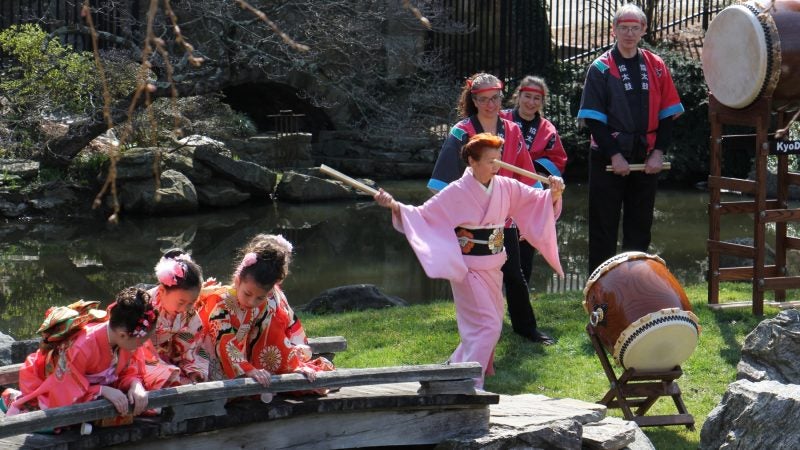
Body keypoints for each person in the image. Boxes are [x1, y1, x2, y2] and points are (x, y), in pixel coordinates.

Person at [375, 133, 564, 389]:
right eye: (490, 161)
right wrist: (394, 206)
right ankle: (471, 383)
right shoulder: (456, 191)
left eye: (498, 160)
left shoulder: (505, 186)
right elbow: (423, 215)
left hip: (494, 265)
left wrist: (553, 192)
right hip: (469, 269)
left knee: (484, 324)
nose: (496, 166)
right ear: (472, 162)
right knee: (487, 326)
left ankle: (455, 370)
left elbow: (535, 200)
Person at [428, 72, 552, 345]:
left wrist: (540, 200)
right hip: (470, 222)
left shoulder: (512, 130)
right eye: (484, 99)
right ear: (474, 100)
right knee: (473, 277)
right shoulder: (462, 132)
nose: (491, 105)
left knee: (514, 275)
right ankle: (479, 330)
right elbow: (440, 183)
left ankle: (525, 327)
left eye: (495, 98)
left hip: (503, 218)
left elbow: (527, 179)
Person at [577, 3, 684, 273]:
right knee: (604, 225)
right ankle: (600, 287)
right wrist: (614, 154)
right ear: (614, 30)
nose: (628, 34)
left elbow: (667, 113)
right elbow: (593, 119)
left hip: (646, 155)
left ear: (643, 30)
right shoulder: (601, 68)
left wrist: (659, 152)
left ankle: (634, 282)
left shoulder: (656, 65)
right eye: (623, 28)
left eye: (634, 28)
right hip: (607, 156)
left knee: (640, 224)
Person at [197, 234, 334, 395]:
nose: (252, 301)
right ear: (237, 280)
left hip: (238, 361)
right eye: (247, 294)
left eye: (260, 297)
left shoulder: (266, 302)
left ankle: (286, 369)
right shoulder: (219, 301)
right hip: (207, 361)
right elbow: (224, 341)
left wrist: (293, 365)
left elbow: (272, 338)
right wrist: (249, 370)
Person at [4, 287, 156, 417]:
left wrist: (135, 385)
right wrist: (101, 390)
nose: (142, 345)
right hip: (55, 384)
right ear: (123, 334)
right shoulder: (81, 346)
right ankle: (12, 397)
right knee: (57, 421)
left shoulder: (126, 340)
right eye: (141, 342)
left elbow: (129, 371)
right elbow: (64, 389)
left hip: (92, 387)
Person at [499, 76, 569, 344]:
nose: (530, 102)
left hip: (528, 196)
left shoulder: (547, 129)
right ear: (518, 96)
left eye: (536, 98)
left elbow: (557, 160)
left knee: (523, 256)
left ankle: (519, 314)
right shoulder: (502, 119)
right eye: (527, 96)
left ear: (542, 102)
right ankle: (493, 310)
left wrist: (534, 170)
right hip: (498, 193)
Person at [141, 249, 209, 388]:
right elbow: (135, 345)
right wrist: (160, 362)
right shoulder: (143, 307)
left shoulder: (188, 313)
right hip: (142, 357)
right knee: (166, 376)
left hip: (167, 356)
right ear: (162, 291)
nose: (186, 307)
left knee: (197, 372)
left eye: (191, 302)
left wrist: (192, 369)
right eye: (181, 302)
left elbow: (190, 343)